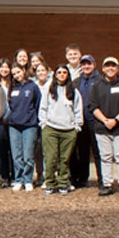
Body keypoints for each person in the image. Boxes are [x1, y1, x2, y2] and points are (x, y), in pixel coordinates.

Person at [89, 56, 119, 198]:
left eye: (113, 66)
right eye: (107, 66)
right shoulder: (96, 85)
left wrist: (115, 120)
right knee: (105, 157)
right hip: (102, 128)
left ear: (118, 68)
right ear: (103, 69)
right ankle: (107, 184)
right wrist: (105, 120)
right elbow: (92, 105)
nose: (110, 68)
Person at [39, 65, 83, 195]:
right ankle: (50, 182)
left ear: (68, 75)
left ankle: (63, 183)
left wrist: (77, 126)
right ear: (55, 74)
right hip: (51, 128)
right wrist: (44, 123)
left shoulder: (73, 90)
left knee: (65, 159)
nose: (62, 75)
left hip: (68, 130)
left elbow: (78, 109)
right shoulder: (49, 88)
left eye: (64, 72)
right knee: (50, 158)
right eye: (59, 72)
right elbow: (43, 107)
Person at [7, 63, 42, 192]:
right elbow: (10, 106)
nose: (17, 75)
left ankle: (28, 179)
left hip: (29, 125)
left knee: (28, 155)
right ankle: (19, 179)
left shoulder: (33, 87)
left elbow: (37, 104)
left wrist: (35, 120)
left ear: (23, 70)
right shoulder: (13, 88)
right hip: (14, 125)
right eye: (14, 74)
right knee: (16, 155)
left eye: (18, 72)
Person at [70, 54, 102, 189]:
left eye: (88, 64)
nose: (86, 66)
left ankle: (102, 180)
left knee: (98, 152)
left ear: (94, 65)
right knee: (82, 152)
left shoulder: (101, 80)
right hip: (81, 122)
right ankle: (82, 179)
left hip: (96, 121)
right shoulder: (76, 82)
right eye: (83, 64)